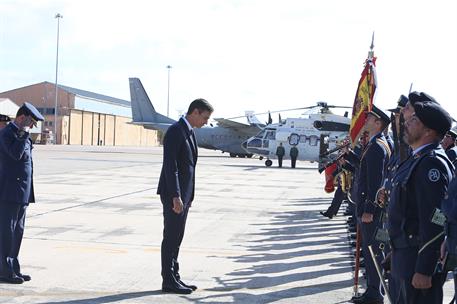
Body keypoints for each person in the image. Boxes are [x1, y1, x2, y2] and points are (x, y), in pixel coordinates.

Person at [387, 94, 454, 304]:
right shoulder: (417, 160)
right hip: (406, 256)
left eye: (414, 120)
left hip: (418, 261)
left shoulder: (431, 164)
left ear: (428, 131)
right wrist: (396, 250)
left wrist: (425, 268)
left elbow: (436, 219)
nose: (407, 122)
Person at [157, 98, 213, 294]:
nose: (206, 122)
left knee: (177, 237)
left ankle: (175, 276)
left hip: (184, 196)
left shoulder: (188, 132)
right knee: (171, 237)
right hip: (175, 196)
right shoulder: (175, 131)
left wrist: (187, 196)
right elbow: (170, 167)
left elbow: (188, 168)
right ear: (195, 112)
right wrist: (176, 196)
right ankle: (168, 280)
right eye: (205, 117)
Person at [0, 102, 44, 284]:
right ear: (21, 118)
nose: (32, 126)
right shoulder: (7, 134)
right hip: (9, 192)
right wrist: (24, 133)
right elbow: (16, 155)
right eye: (31, 122)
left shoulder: (21, 135)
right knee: (6, 233)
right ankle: (4, 271)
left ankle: (13, 268)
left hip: (22, 193)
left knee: (17, 232)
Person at [351, 105, 391, 304]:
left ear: (378, 123)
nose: (365, 120)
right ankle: (374, 291)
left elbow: (375, 182)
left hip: (373, 212)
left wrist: (368, 209)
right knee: (374, 250)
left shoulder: (377, 147)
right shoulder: (377, 144)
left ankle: (375, 293)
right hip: (376, 210)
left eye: (370, 118)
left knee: (373, 251)